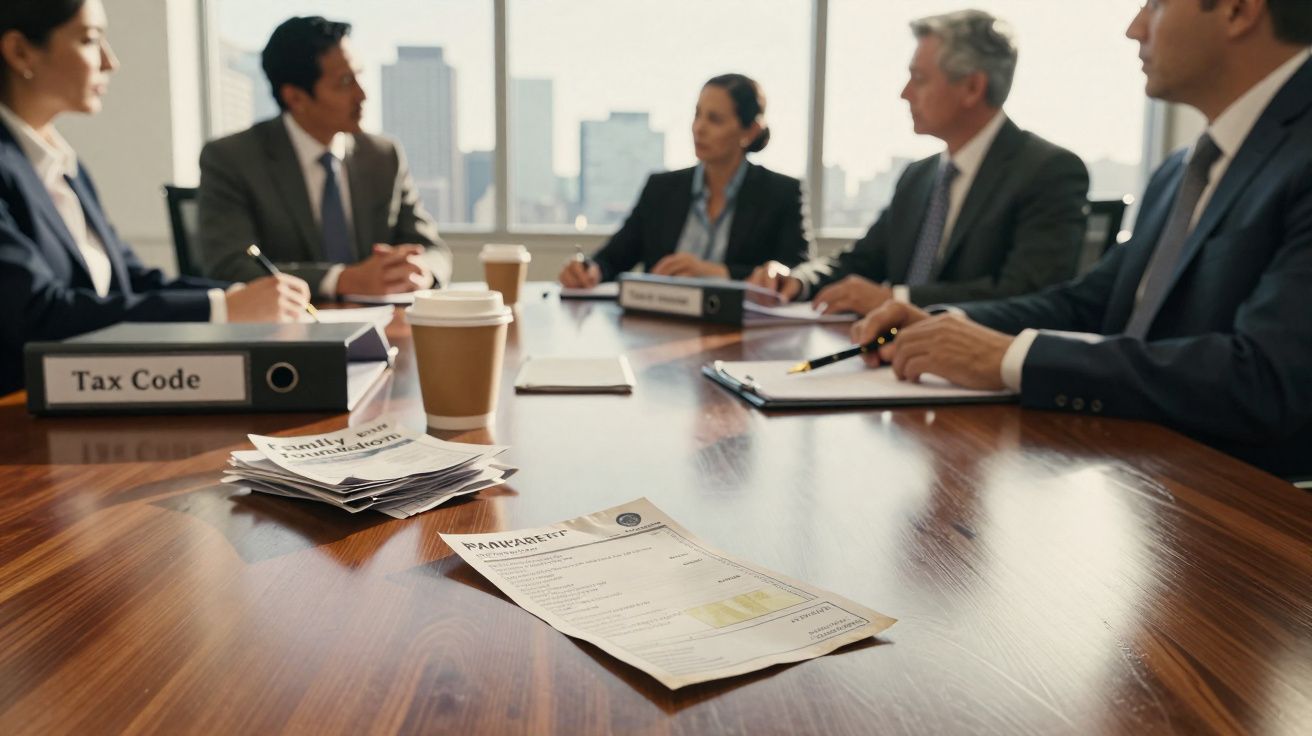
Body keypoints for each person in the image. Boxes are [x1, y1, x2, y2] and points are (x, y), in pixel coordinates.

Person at [851, 0, 1312, 480]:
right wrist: (945, 324)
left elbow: (1266, 377)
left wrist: (1014, 357)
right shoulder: (1181, 170)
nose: (1134, 28)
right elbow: (1086, 303)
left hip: (1246, 506)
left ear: (1238, 10)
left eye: (1155, 5)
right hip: (1138, 472)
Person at [0, 0, 307, 396]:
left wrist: (233, 297)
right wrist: (220, 310)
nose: (111, 62)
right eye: (90, 40)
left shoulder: (61, 164)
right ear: (20, 52)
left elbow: (130, 281)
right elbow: (36, 313)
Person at [748, 10, 1089, 315]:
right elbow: (863, 260)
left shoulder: (1049, 171)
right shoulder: (919, 176)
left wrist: (896, 300)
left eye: (920, 78)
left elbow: (1025, 294)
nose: (905, 92)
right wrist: (799, 279)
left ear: (972, 87)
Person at [197, 16, 452, 300]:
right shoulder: (233, 159)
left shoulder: (383, 156)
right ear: (295, 97)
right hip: (287, 333)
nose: (362, 94)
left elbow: (433, 249)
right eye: (344, 82)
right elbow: (228, 267)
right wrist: (342, 280)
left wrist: (420, 270)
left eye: (359, 75)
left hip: (387, 327)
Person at [558, 73, 812, 287]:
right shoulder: (661, 188)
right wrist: (589, 270)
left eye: (715, 119)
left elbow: (796, 273)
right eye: (697, 114)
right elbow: (612, 259)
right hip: (658, 332)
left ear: (750, 131)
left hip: (742, 338)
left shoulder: (782, 194)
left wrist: (714, 272)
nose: (698, 128)